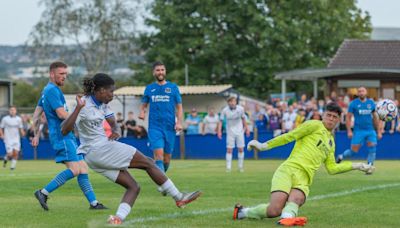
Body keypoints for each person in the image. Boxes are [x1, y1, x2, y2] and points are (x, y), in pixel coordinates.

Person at [61, 73, 201, 225]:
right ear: (101, 90)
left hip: (94, 158)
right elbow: (64, 129)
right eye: (111, 91)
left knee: (133, 187)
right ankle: (179, 198)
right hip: (99, 150)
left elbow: (113, 122)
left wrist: (116, 129)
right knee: (148, 162)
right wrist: (78, 109)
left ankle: (118, 218)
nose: (112, 95)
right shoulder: (84, 105)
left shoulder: (102, 103)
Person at [233, 102, 375, 226]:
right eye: (328, 115)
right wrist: (264, 146)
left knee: (297, 198)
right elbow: (290, 136)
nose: (331, 119)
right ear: (323, 115)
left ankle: (286, 219)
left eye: (334, 117)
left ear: (338, 120)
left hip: (304, 179)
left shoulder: (331, 143)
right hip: (288, 170)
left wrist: (357, 166)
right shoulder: (313, 125)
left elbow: (332, 168)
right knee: (274, 209)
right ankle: (243, 212)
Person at [31, 61, 106, 211]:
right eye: (61, 74)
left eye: (66, 74)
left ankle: (94, 203)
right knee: (75, 169)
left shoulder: (48, 90)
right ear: (52, 74)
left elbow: (36, 115)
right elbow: (61, 113)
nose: (64, 77)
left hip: (68, 135)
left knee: (83, 168)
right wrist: (80, 116)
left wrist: (36, 135)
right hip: (61, 136)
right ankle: (43, 192)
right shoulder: (51, 90)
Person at [139, 61, 183, 173]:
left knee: (167, 159)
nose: (160, 72)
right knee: (158, 155)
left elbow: (179, 107)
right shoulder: (149, 88)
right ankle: (163, 185)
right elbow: (144, 104)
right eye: (158, 70)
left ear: (165, 71)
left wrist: (179, 122)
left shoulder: (173, 87)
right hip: (155, 127)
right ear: (154, 72)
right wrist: (142, 112)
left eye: (162, 70)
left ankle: (161, 177)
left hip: (169, 127)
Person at [336, 87, 382, 174]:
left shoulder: (371, 103)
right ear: (358, 93)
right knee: (353, 152)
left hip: (370, 130)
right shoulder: (353, 104)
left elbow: (375, 117)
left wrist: (378, 131)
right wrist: (349, 131)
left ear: (366, 92)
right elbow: (348, 118)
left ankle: (369, 166)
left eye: (363, 91)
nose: (361, 93)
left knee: (372, 147)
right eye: (359, 91)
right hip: (358, 131)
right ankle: (341, 156)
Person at [217, 97, 250, 172]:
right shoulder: (224, 110)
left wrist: (247, 129)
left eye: (233, 101)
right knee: (229, 149)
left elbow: (243, 119)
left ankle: (240, 167)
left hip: (240, 131)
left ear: (236, 102)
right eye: (230, 101)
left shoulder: (241, 109)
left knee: (241, 149)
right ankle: (228, 167)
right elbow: (220, 121)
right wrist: (219, 131)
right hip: (230, 132)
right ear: (228, 103)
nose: (232, 103)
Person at [0, 106, 25, 170]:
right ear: (9, 111)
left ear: (16, 111)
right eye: (11, 110)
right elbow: (1, 127)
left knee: (16, 153)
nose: (12, 111)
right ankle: (5, 160)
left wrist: (22, 133)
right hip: (8, 139)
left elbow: (21, 128)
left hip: (16, 139)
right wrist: (2, 134)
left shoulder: (18, 119)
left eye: (14, 110)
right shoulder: (5, 119)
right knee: (10, 154)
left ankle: (12, 167)